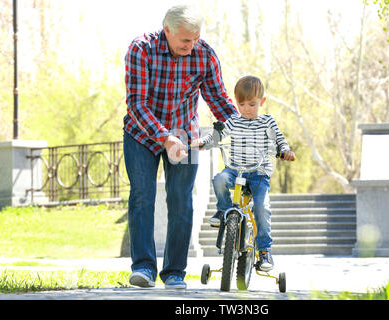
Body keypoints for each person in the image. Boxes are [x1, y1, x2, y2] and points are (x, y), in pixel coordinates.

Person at [123, 5, 238, 289]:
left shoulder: (204, 55)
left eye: (196, 38)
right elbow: (136, 103)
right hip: (141, 133)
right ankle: (144, 269)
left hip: (184, 135)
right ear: (167, 32)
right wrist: (164, 137)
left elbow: (218, 98)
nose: (191, 45)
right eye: (185, 40)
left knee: (181, 201)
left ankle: (174, 272)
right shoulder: (141, 49)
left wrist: (243, 127)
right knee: (142, 197)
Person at [196, 75, 295, 272]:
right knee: (219, 179)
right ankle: (224, 210)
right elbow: (218, 135)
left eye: (252, 104)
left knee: (261, 207)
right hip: (235, 169)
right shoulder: (233, 120)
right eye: (242, 104)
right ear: (236, 103)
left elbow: (279, 140)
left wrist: (286, 151)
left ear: (262, 102)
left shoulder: (267, 122)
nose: (247, 109)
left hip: (258, 174)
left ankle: (265, 251)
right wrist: (203, 142)